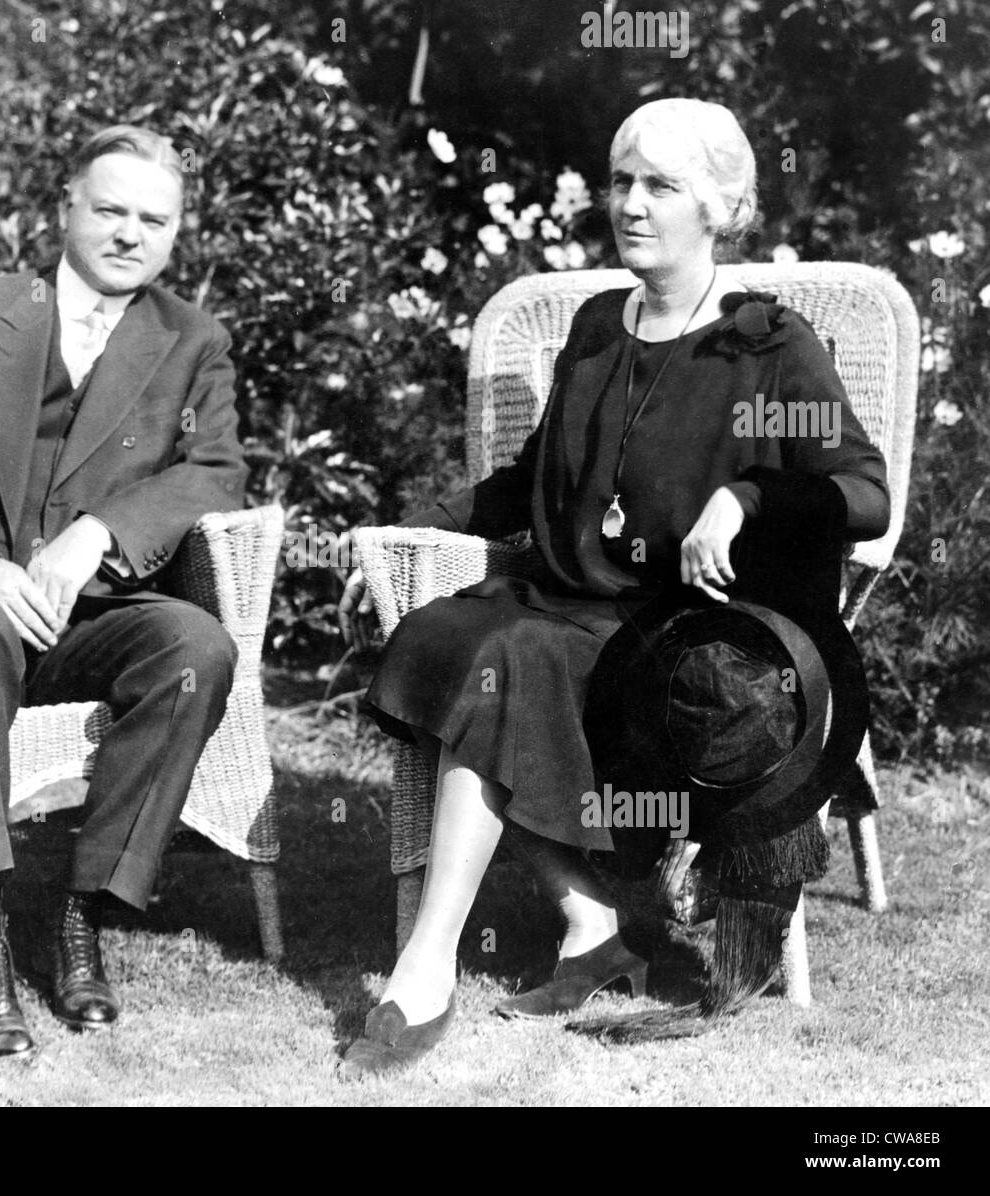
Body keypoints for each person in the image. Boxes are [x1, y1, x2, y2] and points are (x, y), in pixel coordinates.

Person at [336, 97, 890, 1078]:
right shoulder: (598, 324)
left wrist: (748, 497)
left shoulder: (765, 344)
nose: (629, 203)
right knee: (439, 640)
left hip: (680, 633)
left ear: (720, 208)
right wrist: (413, 519)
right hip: (566, 595)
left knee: (499, 666)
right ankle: (590, 920)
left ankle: (423, 968)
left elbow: (862, 490)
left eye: (660, 185)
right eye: (620, 179)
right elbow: (541, 478)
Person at [0, 126, 248, 1057]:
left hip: (88, 616)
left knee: (198, 651)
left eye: (155, 219)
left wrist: (101, 532)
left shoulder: (191, 340)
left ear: (178, 232)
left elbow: (215, 472)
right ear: (65, 207)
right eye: (109, 210)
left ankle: (82, 911)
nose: (128, 235)